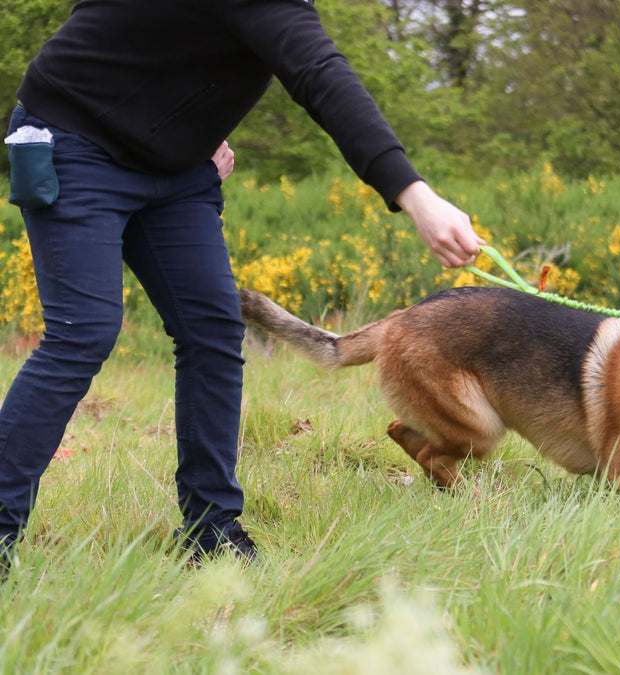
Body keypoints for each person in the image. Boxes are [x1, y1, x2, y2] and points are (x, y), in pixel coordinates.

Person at [0, 0, 484, 567]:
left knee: (211, 329)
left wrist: (179, 119)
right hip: (74, 139)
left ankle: (211, 527)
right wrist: (415, 195)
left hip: (175, 169)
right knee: (83, 332)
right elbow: (320, 76)